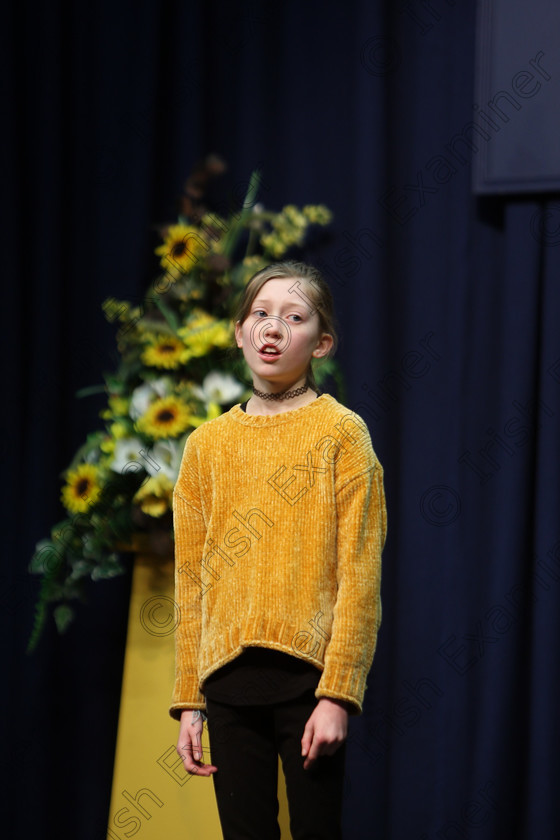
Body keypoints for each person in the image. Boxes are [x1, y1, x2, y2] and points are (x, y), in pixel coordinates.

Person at [170, 260, 387, 839]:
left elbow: (360, 577)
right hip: (228, 685)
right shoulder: (206, 446)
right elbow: (191, 581)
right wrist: (189, 699)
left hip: (309, 685)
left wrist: (339, 694)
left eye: (293, 317)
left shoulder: (342, 434)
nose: (272, 329)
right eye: (259, 315)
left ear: (322, 342)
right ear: (239, 331)